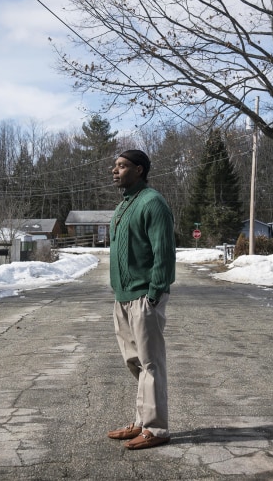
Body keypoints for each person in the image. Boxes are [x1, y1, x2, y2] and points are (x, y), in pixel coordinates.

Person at [106, 149, 176, 450]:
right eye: (114, 166)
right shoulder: (124, 205)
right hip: (123, 298)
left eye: (121, 166)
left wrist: (154, 293)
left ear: (139, 170)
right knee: (135, 363)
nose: (114, 170)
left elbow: (164, 253)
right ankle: (141, 421)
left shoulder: (152, 202)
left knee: (151, 365)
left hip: (144, 298)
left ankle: (156, 429)